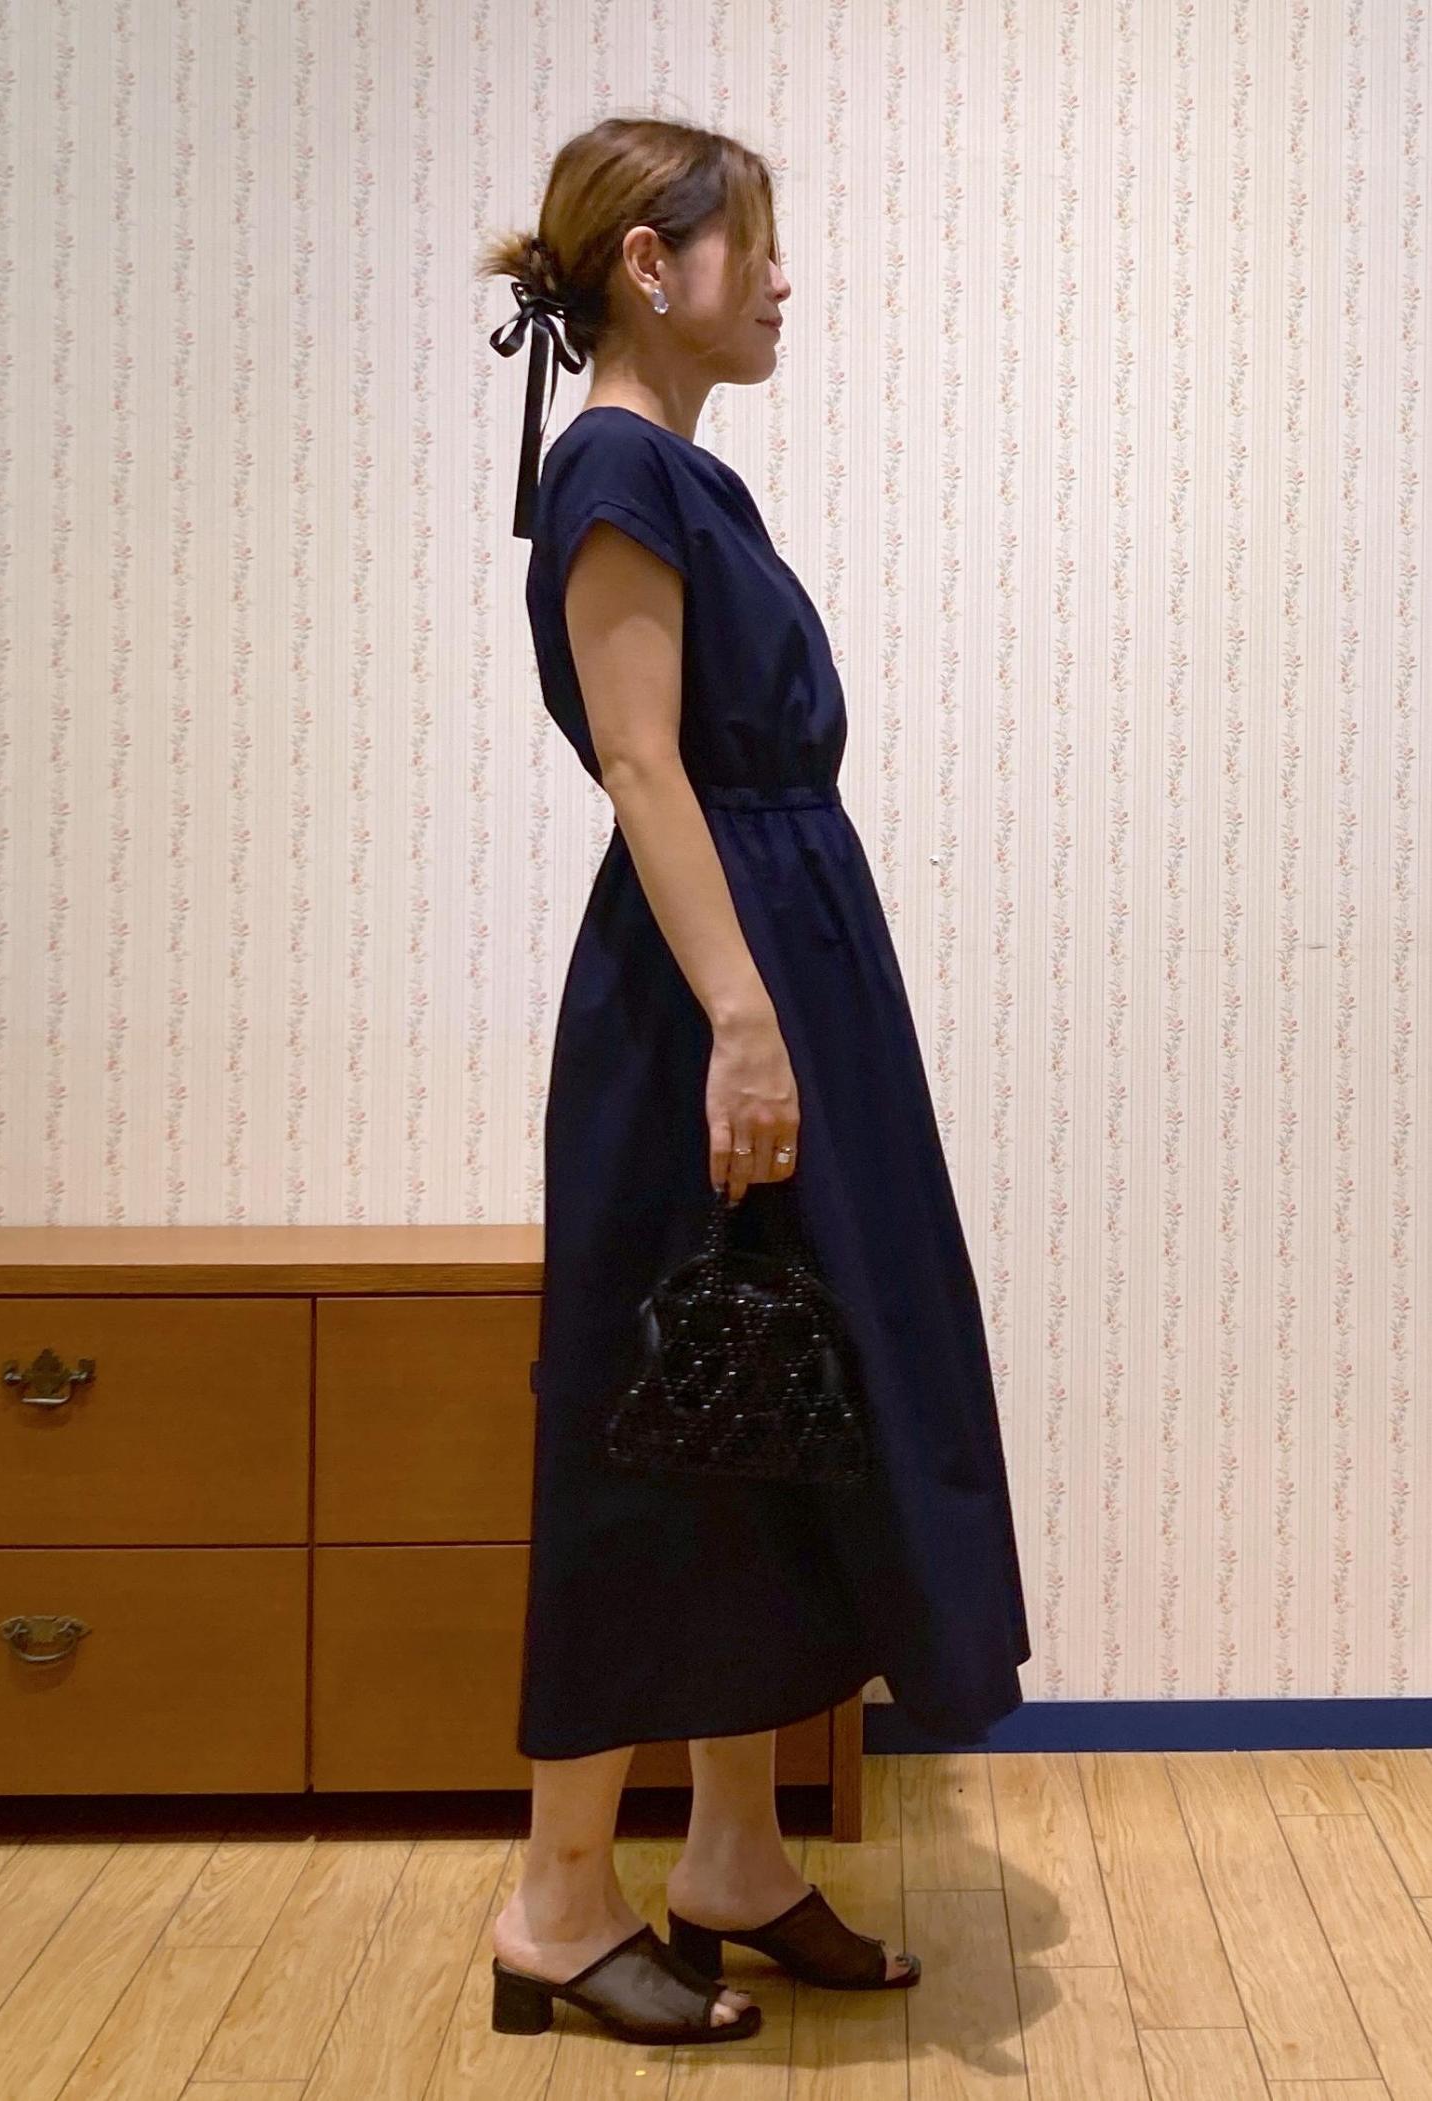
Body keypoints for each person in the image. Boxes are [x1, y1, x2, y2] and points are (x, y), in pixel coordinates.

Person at [476, 114, 1030, 2049]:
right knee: (647, 1424)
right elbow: (644, 763)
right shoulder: (617, 465)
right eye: (756, 246)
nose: (784, 280)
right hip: (706, 996)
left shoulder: (681, 469)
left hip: (778, 966)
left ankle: (725, 1852)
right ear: (652, 264)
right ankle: (556, 1900)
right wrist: (741, 1017)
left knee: (769, 1409)